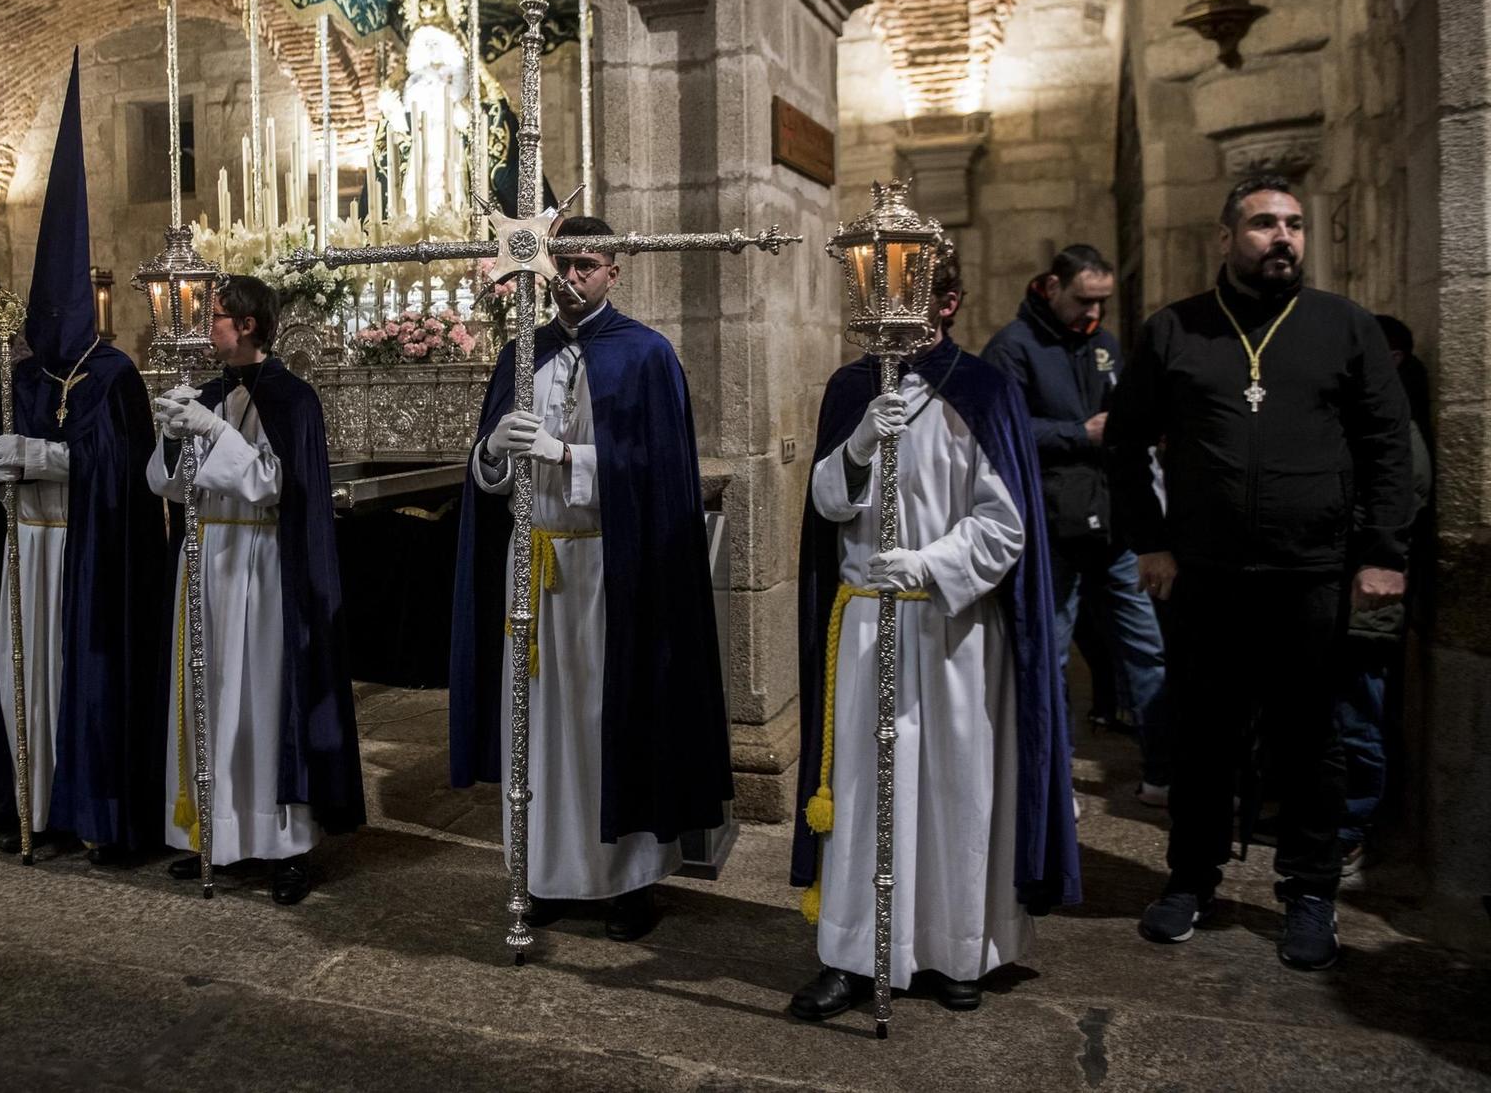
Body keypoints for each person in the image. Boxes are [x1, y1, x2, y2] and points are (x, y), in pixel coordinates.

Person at [1108, 174, 1414, 971]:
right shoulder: (1175, 330)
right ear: (1225, 236)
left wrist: (1382, 550)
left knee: (1311, 740)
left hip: (1310, 573)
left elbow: (1386, 443)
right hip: (1204, 574)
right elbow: (1125, 440)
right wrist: (1150, 541)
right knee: (1203, 735)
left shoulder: (1342, 327)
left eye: (1295, 225)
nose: (1284, 237)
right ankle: (1191, 878)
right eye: (1264, 223)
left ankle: (1310, 891)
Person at [789, 246, 1080, 1020]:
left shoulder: (983, 389)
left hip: (951, 632)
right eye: (877, 291)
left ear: (946, 303)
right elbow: (825, 506)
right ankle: (853, 952)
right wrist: (853, 448)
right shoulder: (850, 386)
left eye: (908, 294)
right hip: (863, 628)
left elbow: (1004, 524)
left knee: (955, 786)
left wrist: (921, 563)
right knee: (858, 790)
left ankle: (959, 949)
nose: (890, 308)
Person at [451, 214, 730, 943]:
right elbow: (485, 479)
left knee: (607, 722)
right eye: (563, 264)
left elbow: (661, 476)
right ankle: (539, 872)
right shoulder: (522, 354)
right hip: (533, 563)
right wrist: (491, 452)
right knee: (537, 725)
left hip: (612, 567)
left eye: (588, 265)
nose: (573, 278)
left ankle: (626, 880)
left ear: (614, 271)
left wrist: (568, 456)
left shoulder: (645, 357)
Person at [0, 53, 168, 862]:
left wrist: (46, 457)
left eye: (60, 305)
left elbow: (121, 471)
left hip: (84, 561)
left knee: (78, 683)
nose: (49, 322)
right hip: (22, 552)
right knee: (22, 684)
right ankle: (22, 799)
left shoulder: (112, 376)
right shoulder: (19, 374)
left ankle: (90, 806)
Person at [146, 275, 364, 905]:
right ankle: (210, 833)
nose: (206, 325)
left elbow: (272, 482)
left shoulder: (294, 398)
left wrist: (213, 433)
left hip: (263, 564)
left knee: (264, 699)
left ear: (245, 322)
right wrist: (170, 432)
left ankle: (284, 847)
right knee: (208, 696)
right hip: (206, 557)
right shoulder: (208, 392)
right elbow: (167, 484)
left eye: (215, 315)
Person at [982, 245, 1169, 805]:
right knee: (1050, 654)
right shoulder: (1012, 348)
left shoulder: (1105, 345)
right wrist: (1078, 434)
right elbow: (1001, 432)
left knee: (1147, 648)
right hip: (1050, 528)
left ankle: (1163, 774)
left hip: (1112, 527)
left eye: (1103, 303)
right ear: (1052, 286)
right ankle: (1051, 782)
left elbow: (1120, 420)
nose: (1093, 314)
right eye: (1084, 301)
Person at [1337, 316, 1433, 874]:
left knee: (1356, 722)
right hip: (1340, 596)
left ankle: (1351, 830)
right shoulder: (1364, 417)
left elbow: (1398, 504)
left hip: (1364, 603)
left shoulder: (1397, 430)